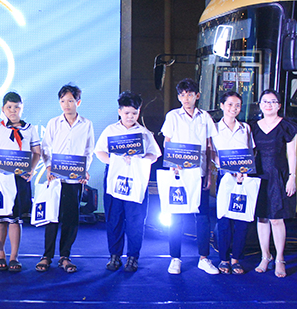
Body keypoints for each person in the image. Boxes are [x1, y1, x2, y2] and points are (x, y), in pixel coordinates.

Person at [94, 91, 161, 273]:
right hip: (115, 181)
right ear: (119, 112)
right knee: (114, 219)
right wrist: (115, 161)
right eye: (126, 113)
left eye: (134, 113)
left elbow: (155, 154)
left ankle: (133, 257)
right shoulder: (111, 130)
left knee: (135, 221)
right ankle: (114, 256)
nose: (130, 116)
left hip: (136, 182)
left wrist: (141, 158)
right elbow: (99, 151)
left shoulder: (144, 133)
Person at [160, 78, 218, 275]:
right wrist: (171, 165)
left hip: (199, 173)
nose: (186, 98)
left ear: (197, 96)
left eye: (190, 94)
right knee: (176, 216)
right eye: (182, 95)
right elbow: (167, 143)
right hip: (177, 174)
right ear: (178, 97)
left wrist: (210, 172)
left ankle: (204, 258)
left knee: (202, 216)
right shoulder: (173, 116)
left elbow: (210, 146)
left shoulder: (205, 117)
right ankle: (175, 258)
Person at [36, 84, 94, 274]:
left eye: (70, 100)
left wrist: (85, 170)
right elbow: (45, 148)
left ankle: (65, 256)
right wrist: (48, 166)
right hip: (55, 178)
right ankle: (46, 256)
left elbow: (88, 151)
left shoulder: (86, 124)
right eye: (62, 101)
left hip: (75, 180)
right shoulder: (54, 123)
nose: (66, 105)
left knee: (71, 218)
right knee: (51, 217)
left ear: (78, 102)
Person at [0, 92, 41, 272]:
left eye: (17, 107)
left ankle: (14, 256)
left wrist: (31, 168)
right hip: (0, 177)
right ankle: (1, 255)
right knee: (0, 219)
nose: (13, 111)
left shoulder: (30, 129)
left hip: (20, 178)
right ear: (3, 109)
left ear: (21, 108)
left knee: (15, 220)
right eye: (9, 107)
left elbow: (36, 152)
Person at [250, 89, 297, 278]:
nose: (268, 105)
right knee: (262, 218)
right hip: (259, 176)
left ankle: (280, 259)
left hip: (279, 176)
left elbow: (292, 154)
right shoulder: (252, 127)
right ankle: (265, 256)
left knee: (277, 219)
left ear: (278, 105)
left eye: (272, 101)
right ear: (260, 105)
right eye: (264, 101)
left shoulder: (287, 126)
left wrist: (292, 177)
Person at [211, 91, 254, 275]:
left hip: (244, 178)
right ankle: (223, 259)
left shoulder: (245, 128)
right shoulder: (213, 128)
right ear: (221, 106)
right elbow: (211, 152)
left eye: (237, 105)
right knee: (224, 218)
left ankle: (236, 258)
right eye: (229, 104)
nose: (233, 108)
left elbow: (251, 152)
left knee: (242, 219)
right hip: (225, 177)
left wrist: (243, 171)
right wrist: (224, 165)